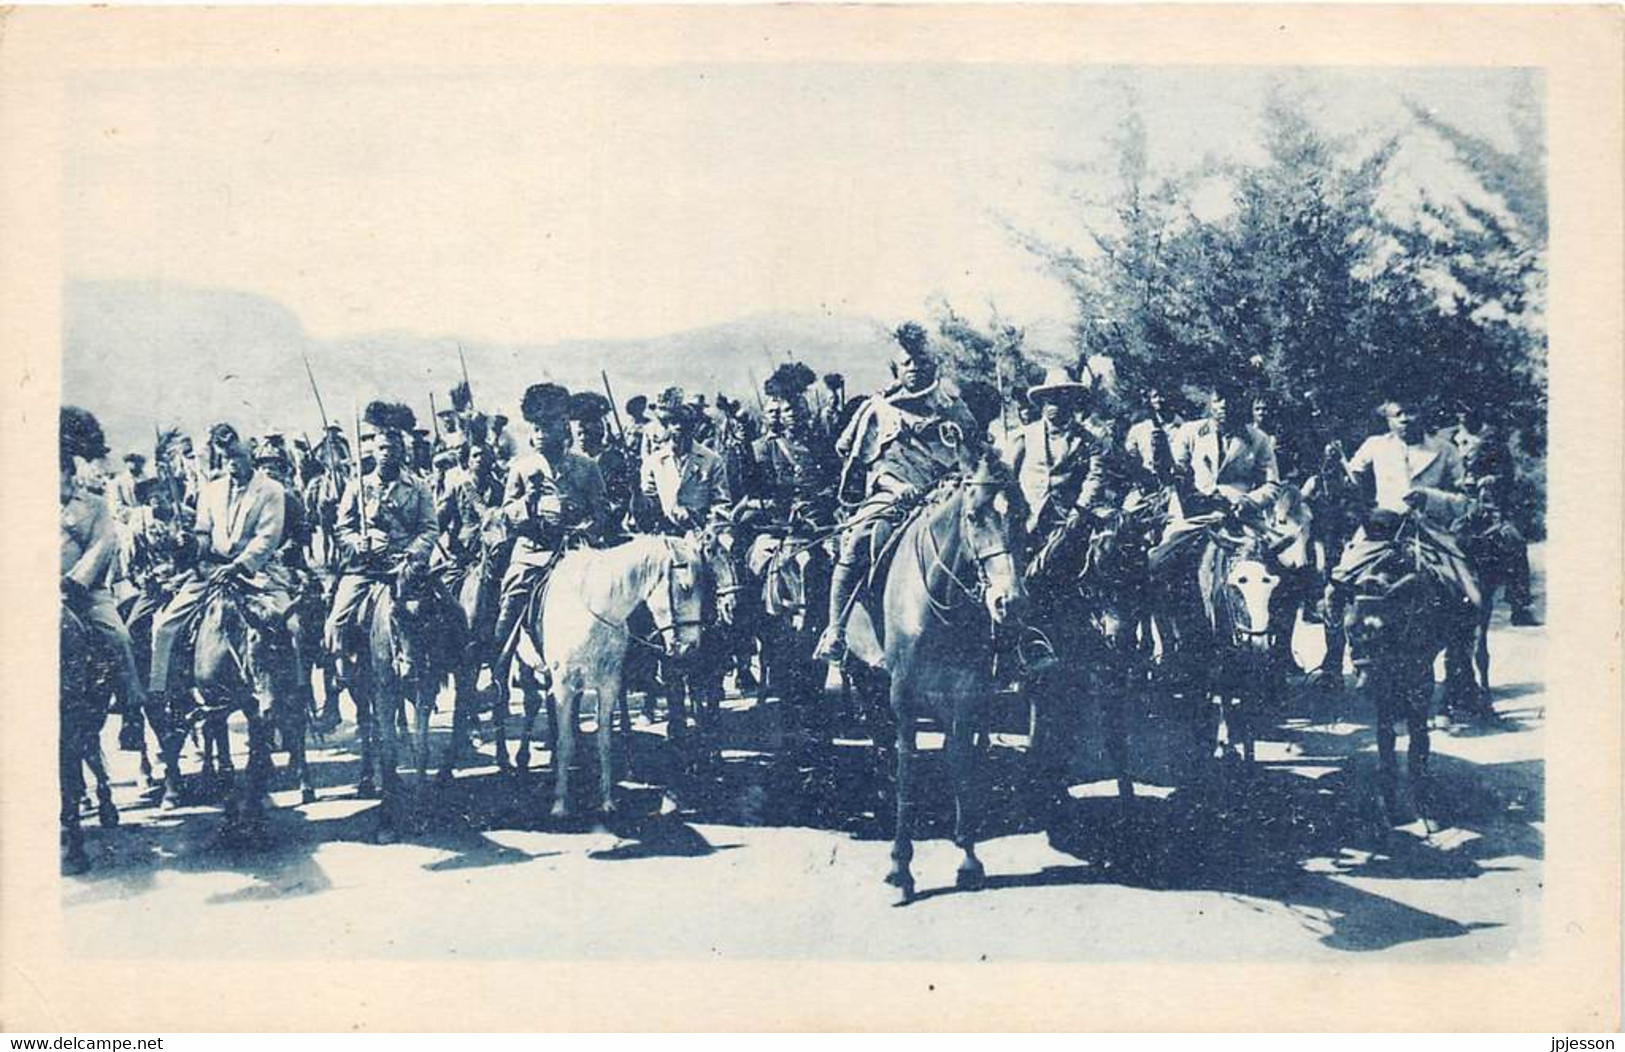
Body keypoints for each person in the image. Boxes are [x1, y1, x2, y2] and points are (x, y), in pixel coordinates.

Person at [814, 321, 980, 663]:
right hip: (895, 494)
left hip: (948, 495)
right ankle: (837, 630)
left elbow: (972, 454)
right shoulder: (879, 409)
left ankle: (1017, 635)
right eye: (907, 363)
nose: (915, 369)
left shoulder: (952, 406)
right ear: (896, 368)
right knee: (860, 538)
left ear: (933, 366)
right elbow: (867, 465)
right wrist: (896, 486)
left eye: (922, 363)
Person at [147, 423, 292, 727]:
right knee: (165, 623)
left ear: (250, 454)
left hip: (258, 573)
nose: (231, 463)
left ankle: (292, 695)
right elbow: (204, 533)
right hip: (212, 571)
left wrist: (240, 565)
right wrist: (189, 543)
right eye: (225, 457)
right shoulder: (210, 492)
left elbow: (267, 537)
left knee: (288, 624)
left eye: (237, 456)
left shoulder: (271, 490)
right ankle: (164, 693)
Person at [492, 383, 611, 668]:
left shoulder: (586, 467)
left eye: (547, 427)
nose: (541, 435)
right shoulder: (521, 468)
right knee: (512, 599)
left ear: (563, 427)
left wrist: (587, 528)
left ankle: (629, 667)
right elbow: (506, 515)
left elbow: (601, 510)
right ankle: (499, 669)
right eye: (536, 429)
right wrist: (529, 505)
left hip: (579, 551)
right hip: (534, 553)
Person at [321, 403, 438, 671]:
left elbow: (429, 528)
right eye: (382, 448)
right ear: (374, 450)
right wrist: (356, 542)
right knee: (337, 619)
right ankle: (342, 669)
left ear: (402, 452)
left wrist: (411, 553)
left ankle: (456, 667)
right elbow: (342, 528)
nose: (387, 454)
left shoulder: (419, 488)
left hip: (405, 566)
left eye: (393, 449)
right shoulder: (357, 486)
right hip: (366, 566)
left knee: (451, 612)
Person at [60, 407, 150, 724]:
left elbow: (102, 545)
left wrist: (72, 583)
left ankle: (131, 706)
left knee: (119, 638)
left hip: (84, 594)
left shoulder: (94, 505)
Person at [636, 387, 733, 534]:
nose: (679, 427)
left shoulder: (712, 460)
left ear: (693, 426)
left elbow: (721, 504)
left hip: (702, 535)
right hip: (665, 535)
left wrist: (702, 525)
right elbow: (650, 500)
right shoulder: (654, 462)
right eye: (674, 422)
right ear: (667, 425)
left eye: (685, 423)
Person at [568, 390, 633, 531]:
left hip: (607, 525)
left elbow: (620, 500)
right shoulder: (579, 461)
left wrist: (599, 522)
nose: (582, 438)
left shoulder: (612, 459)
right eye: (579, 433)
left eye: (586, 433)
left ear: (598, 433)